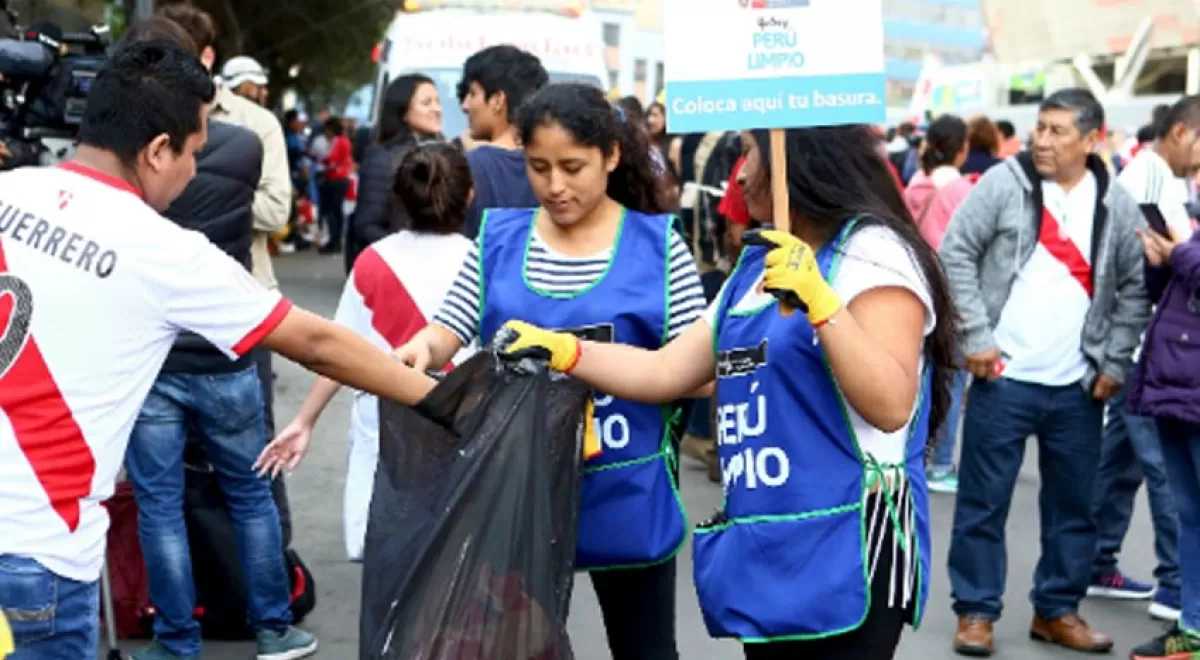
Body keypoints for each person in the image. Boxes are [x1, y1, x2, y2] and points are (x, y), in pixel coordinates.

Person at [0, 38, 437, 660]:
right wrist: (444, 399)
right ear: (157, 151)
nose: (193, 172)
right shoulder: (161, 248)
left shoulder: (10, 190)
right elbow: (315, 342)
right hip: (37, 559)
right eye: (195, 154)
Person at [486, 121, 958, 659]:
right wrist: (566, 351)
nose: (738, 176)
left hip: (850, 544)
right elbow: (666, 371)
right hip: (768, 541)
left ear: (797, 161)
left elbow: (892, 403)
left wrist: (822, 304)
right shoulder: (755, 265)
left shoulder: (873, 253)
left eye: (749, 154)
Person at [393, 82, 706, 660]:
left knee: (646, 649)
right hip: (516, 489)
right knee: (510, 648)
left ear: (612, 156)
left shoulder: (660, 248)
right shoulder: (498, 237)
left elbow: (698, 369)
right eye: (538, 167)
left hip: (626, 490)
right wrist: (422, 349)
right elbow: (449, 327)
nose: (555, 186)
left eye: (573, 167)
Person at [112, 19, 302, 660]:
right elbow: (268, 214)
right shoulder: (244, 143)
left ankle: (176, 640)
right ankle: (275, 627)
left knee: (160, 505)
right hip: (228, 353)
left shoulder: (129, 161)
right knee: (250, 494)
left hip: (156, 356)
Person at [942, 88, 1151, 656]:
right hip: (1002, 378)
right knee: (983, 504)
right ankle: (977, 611)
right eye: (1040, 127)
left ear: (1092, 139)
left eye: (1058, 130)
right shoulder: (1004, 185)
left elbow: (1134, 286)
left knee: (1074, 509)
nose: (1042, 139)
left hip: (1078, 387)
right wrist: (976, 339)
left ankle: (1057, 610)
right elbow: (955, 250)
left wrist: (1113, 361)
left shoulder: (1115, 201)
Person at [259, 143, 476, 561]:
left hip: (385, 428)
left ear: (399, 197)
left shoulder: (373, 262)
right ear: (469, 195)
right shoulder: (483, 261)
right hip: (463, 426)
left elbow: (339, 349)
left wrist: (304, 421)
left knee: (388, 559)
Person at [1086, 96, 1200, 625]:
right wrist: (1182, 253)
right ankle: (1176, 586)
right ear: (1180, 131)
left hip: (1145, 348)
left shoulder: (1164, 179)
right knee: (1166, 475)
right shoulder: (1150, 179)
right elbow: (1159, 264)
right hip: (1151, 350)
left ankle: (1097, 556)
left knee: (1121, 461)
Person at [1126, 132, 1200, 660]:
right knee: (1188, 512)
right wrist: (1163, 259)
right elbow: (1170, 294)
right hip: (1176, 384)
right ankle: (1193, 628)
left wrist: (1182, 255)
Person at [902, 114, 974, 495]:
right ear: (961, 148)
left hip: (912, 290)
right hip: (949, 296)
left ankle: (914, 452)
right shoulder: (961, 190)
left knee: (915, 377)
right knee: (949, 377)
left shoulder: (915, 183)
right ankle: (941, 461)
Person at [345, 74, 443, 271]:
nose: (437, 109)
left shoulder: (446, 151)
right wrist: (409, 256)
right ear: (403, 111)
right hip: (399, 272)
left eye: (437, 102)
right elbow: (367, 225)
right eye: (426, 103)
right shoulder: (383, 159)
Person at [457, 45, 548, 238]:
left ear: (497, 100)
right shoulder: (556, 170)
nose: (465, 105)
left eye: (473, 93)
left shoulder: (467, 168)